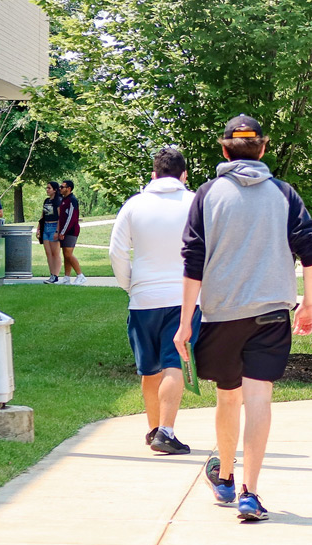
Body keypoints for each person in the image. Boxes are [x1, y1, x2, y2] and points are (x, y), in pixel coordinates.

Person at [174, 115, 312, 521]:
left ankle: (223, 476)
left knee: (228, 395)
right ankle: (249, 493)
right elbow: (310, 254)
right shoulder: (284, 195)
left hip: (222, 314)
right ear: (263, 148)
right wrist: (308, 304)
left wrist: (186, 323)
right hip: (272, 313)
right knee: (259, 397)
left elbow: (193, 262)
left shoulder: (206, 195)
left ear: (224, 150)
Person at [110, 147, 201, 455]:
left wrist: (131, 284)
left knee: (150, 369)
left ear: (153, 174)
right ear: (184, 174)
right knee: (174, 361)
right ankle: (166, 431)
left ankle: (153, 430)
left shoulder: (134, 205)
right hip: (183, 297)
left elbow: (116, 251)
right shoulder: (195, 203)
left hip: (143, 298)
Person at [56, 180, 85, 285]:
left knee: (68, 254)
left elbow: (71, 218)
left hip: (71, 231)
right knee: (65, 254)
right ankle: (67, 277)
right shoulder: (64, 200)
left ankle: (80, 275)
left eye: (62, 187)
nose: (60, 188)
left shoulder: (72, 200)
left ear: (69, 188)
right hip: (64, 231)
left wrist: (63, 232)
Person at [37, 181, 64, 284]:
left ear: (55, 190)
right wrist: (39, 227)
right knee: (48, 253)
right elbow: (43, 216)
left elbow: (60, 217)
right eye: (47, 188)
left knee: (55, 253)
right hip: (46, 226)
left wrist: (57, 230)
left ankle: (56, 275)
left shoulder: (58, 201)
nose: (47, 190)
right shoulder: (46, 201)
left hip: (54, 226)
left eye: (49, 188)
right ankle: (51, 274)